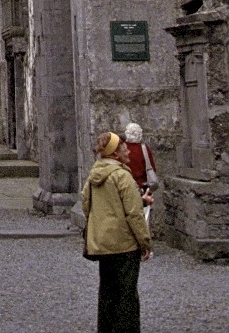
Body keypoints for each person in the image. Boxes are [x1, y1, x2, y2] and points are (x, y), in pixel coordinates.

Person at [82, 130, 151, 333]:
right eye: (123, 147)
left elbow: (86, 205)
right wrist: (145, 242)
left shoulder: (95, 175)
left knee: (107, 294)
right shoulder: (122, 176)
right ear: (114, 153)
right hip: (124, 244)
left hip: (102, 244)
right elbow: (134, 214)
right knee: (127, 296)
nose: (127, 150)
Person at [124, 122, 159, 221]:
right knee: (144, 216)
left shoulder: (123, 149)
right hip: (142, 187)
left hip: (126, 187)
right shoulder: (144, 149)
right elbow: (152, 168)